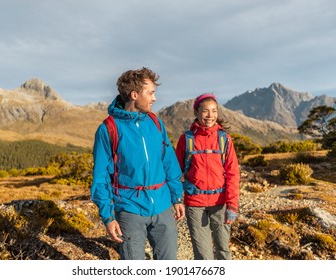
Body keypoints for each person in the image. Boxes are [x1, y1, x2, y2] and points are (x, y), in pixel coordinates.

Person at [91, 67, 185, 260]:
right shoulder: (108, 129)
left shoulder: (156, 123)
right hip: (129, 209)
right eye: (150, 93)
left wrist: (176, 197)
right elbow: (100, 177)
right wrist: (108, 217)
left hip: (162, 205)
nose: (154, 99)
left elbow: (169, 163)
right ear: (134, 94)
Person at [175, 93, 240, 260]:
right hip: (195, 205)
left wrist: (232, 205)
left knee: (223, 251)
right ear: (196, 112)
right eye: (205, 111)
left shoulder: (224, 139)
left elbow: (233, 173)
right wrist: (177, 199)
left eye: (214, 111)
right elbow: (174, 172)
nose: (210, 116)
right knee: (203, 256)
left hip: (220, 203)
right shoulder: (187, 139)